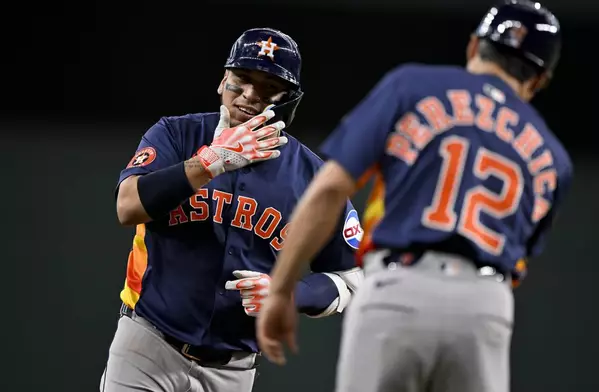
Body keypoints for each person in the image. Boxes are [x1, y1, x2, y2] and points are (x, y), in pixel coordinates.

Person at [257, 2, 573, 391]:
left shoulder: (412, 87)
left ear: (474, 46)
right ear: (540, 79)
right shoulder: (554, 157)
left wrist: (281, 288)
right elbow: (520, 257)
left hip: (399, 288)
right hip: (485, 303)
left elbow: (329, 190)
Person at [100, 27, 363, 392]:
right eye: (242, 79)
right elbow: (128, 206)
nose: (251, 95)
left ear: (289, 100)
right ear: (224, 80)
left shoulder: (313, 177)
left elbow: (354, 278)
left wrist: (289, 295)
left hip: (233, 369)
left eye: (269, 87)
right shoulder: (177, 135)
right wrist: (209, 162)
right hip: (148, 345)